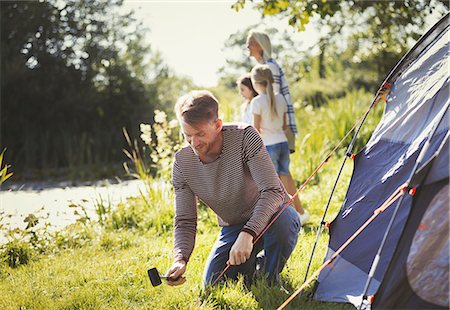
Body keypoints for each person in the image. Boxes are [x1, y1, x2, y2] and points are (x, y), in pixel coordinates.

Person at [165, 90, 300, 288]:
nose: (195, 143)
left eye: (200, 134)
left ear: (218, 125)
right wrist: (180, 259)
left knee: (284, 219)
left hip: (273, 214)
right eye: (188, 135)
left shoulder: (245, 136)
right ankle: (254, 266)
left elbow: (272, 191)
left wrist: (248, 233)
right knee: (214, 284)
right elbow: (185, 219)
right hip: (233, 227)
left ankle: (270, 279)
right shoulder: (182, 163)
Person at [246, 30, 309, 225]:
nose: (247, 47)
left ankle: (290, 213)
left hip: (273, 135)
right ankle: (298, 212)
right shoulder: (271, 69)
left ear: (259, 45)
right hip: (281, 132)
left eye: (250, 43)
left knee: (275, 178)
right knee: (284, 174)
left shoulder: (268, 68)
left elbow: (267, 107)